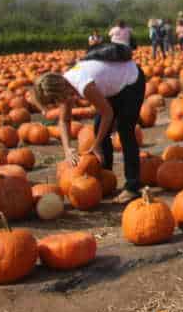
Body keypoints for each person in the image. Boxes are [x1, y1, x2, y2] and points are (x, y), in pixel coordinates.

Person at [34, 53, 146, 203]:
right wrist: (67, 149)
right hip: (115, 85)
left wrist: (97, 144)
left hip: (132, 81)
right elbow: (64, 120)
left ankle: (132, 187)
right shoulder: (65, 85)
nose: (57, 105)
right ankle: (107, 178)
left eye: (54, 101)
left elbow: (108, 113)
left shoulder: (82, 84)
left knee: (126, 131)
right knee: (99, 127)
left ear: (58, 92)